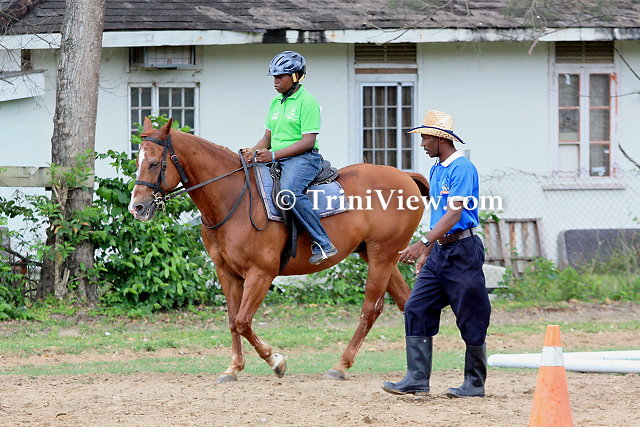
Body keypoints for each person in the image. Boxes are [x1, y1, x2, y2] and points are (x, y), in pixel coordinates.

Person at [381, 110, 491, 398]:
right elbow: (439, 215)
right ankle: (417, 379)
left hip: (463, 252)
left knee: (471, 316)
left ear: (441, 139)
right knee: (416, 307)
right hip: (439, 252)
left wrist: (421, 242)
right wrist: (428, 251)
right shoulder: (436, 169)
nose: (422, 144)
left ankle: (474, 383)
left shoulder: (462, 168)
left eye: (426, 138)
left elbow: (454, 213)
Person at [241, 51, 338, 265]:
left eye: (280, 76)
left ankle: (323, 243)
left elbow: (308, 141)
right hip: (276, 158)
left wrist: (273, 155)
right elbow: (267, 138)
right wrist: (252, 152)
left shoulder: (307, 102)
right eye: (274, 77)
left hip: (304, 158)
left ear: (296, 76)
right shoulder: (276, 102)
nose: (275, 81)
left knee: (288, 192)